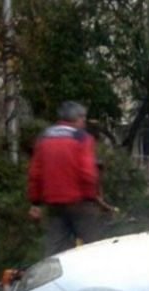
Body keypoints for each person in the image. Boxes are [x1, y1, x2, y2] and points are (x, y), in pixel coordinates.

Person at [28, 101, 101, 256]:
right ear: (78, 118)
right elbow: (87, 173)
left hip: (53, 204)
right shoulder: (81, 138)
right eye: (83, 118)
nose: (84, 122)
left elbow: (35, 173)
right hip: (79, 202)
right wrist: (92, 197)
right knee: (93, 248)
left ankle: (56, 278)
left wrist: (35, 202)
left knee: (56, 249)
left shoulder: (44, 137)